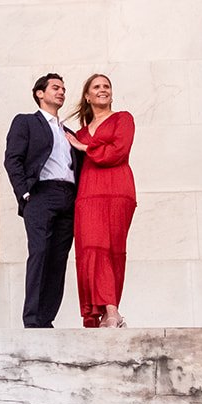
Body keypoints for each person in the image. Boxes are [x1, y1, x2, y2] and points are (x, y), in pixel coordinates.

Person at [3, 73, 83, 328]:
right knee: (39, 253)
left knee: (58, 260)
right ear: (40, 93)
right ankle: (33, 321)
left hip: (68, 197)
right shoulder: (26, 122)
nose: (61, 92)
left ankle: (46, 320)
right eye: (55, 88)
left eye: (63, 89)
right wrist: (24, 193)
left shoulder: (69, 132)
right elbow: (12, 159)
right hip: (40, 195)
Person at [66, 74, 137, 328]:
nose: (102, 90)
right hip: (88, 194)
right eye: (97, 87)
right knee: (90, 248)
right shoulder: (80, 133)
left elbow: (119, 151)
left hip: (118, 189)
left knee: (112, 249)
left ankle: (112, 310)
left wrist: (85, 148)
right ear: (88, 96)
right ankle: (103, 313)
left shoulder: (123, 119)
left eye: (106, 86)